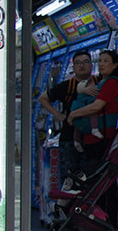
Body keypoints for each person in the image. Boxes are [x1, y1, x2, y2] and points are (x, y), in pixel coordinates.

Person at [66, 50, 118, 224]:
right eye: (100, 60)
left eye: (106, 61)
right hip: (92, 140)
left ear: (115, 64)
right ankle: (97, 222)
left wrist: (73, 114)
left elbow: (97, 106)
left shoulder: (111, 83)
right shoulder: (102, 82)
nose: (101, 64)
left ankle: (105, 223)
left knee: (102, 184)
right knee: (98, 183)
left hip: (101, 140)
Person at [38, 51, 96, 191]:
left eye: (85, 62)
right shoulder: (66, 86)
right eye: (78, 63)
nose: (82, 66)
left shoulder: (99, 84)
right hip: (69, 139)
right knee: (69, 180)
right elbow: (43, 98)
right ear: (74, 67)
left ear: (91, 65)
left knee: (92, 180)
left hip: (93, 140)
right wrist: (59, 116)